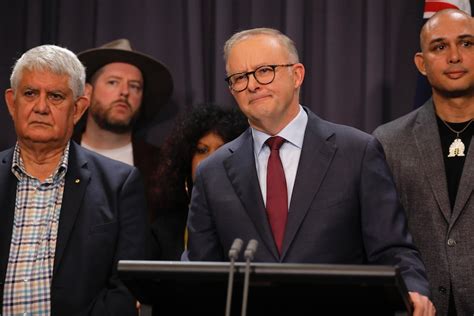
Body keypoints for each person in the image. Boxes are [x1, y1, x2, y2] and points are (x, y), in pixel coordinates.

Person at [186, 28, 435, 314]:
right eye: (240, 78)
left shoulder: (357, 152)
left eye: (264, 70)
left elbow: (393, 250)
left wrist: (413, 291)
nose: (252, 84)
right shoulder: (212, 173)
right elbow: (199, 271)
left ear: (297, 75)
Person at [0, 45, 148, 315]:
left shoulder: (119, 184)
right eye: (30, 93)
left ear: (78, 109)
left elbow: (127, 288)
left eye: (55, 96)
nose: (41, 107)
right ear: (12, 102)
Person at [373, 9, 474, 315]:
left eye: (467, 43)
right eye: (440, 47)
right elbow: (382, 239)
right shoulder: (388, 141)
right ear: (421, 63)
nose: (454, 56)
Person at [74, 38, 173, 223]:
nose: (125, 92)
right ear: (87, 92)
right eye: (113, 82)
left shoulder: (161, 167)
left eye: (135, 86)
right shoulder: (57, 156)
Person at [151, 103, 248, 260]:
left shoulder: (253, 220)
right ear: (187, 160)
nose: (211, 159)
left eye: (222, 150)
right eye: (202, 150)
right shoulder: (164, 230)